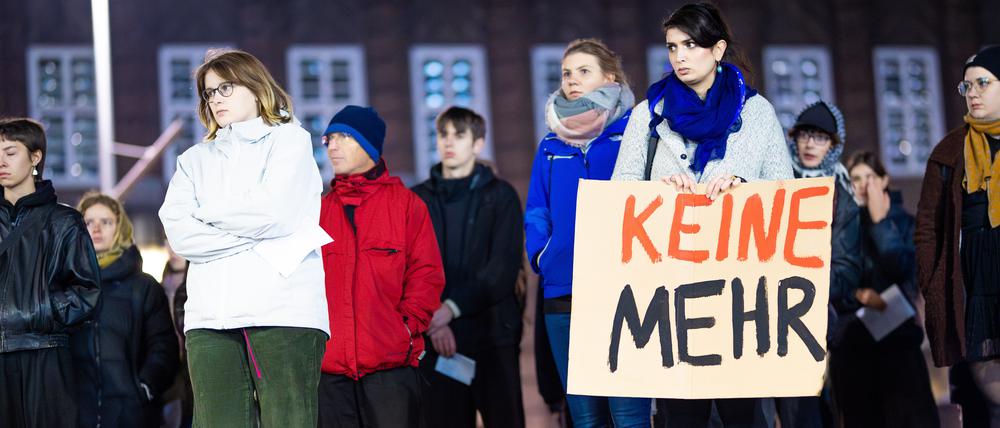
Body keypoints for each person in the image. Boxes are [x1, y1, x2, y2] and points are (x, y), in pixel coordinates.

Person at [610, 3, 792, 427]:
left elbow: (785, 194)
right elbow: (620, 193)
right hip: (672, 300)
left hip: (739, 300)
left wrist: (744, 190)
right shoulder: (648, 116)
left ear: (718, 48)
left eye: (691, 45)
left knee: (744, 415)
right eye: (673, 47)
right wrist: (657, 193)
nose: (680, 57)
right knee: (681, 416)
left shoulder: (756, 114)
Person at [158, 49, 330, 427]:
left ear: (255, 88)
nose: (215, 99)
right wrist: (256, 235)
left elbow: (274, 212)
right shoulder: (193, 159)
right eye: (209, 93)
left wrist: (206, 214)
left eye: (226, 88)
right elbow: (181, 235)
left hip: (283, 309)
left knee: (289, 421)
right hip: (209, 314)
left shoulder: (291, 141)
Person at [525, 38, 649, 427]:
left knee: (628, 414)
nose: (572, 80)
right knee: (585, 416)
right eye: (566, 73)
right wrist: (544, 255)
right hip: (564, 290)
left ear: (609, 77)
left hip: (624, 291)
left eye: (583, 71)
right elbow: (536, 208)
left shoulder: (635, 134)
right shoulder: (550, 143)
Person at [317, 105, 445, 428]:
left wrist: (403, 329)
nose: (332, 146)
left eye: (343, 137)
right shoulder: (317, 211)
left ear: (369, 145)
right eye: (328, 139)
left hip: (391, 372)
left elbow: (427, 275)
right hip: (330, 377)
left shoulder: (407, 206)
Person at [411, 106, 525, 428]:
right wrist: (436, 320)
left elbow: (501, 269)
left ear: (477, 144)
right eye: (443, 134)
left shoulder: (500, 196)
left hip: (492, 338)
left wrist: (450, 308)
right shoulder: (417, 199)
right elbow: (411, 268)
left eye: (459, 135)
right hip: (438, 341)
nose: (449, 142)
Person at [916, 45, 1000, 426]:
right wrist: (934, 284)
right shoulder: (950, 151)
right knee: (984, 398)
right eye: (967, 86)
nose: (974, 93)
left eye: (983, 82)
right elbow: (928, 228)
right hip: (974, 289)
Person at [0, 117, 101, 427]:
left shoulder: (64, 222)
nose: (1, 161)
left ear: (35, 156)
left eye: (10, 152)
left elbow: (87, 291)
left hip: (44, 351)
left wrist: (39, 311)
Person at [775, 101, 863, 428]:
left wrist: (810, 282)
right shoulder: (774, 178)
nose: (811, 144)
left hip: (811, 318)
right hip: (762, 310)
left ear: (833, 145)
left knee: (805, 414)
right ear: (794, 138)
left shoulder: (840, 193)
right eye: (806, 135)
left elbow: (847, 265)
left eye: (821, 138)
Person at [71, 192, 179, 427]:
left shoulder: (144, 287)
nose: (97, 229)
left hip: (132, 415)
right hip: (77, 413)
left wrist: (144, 389)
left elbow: (164, 347)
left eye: (106, 222)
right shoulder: (66, 284)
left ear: (119, 228)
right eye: (88, 222)